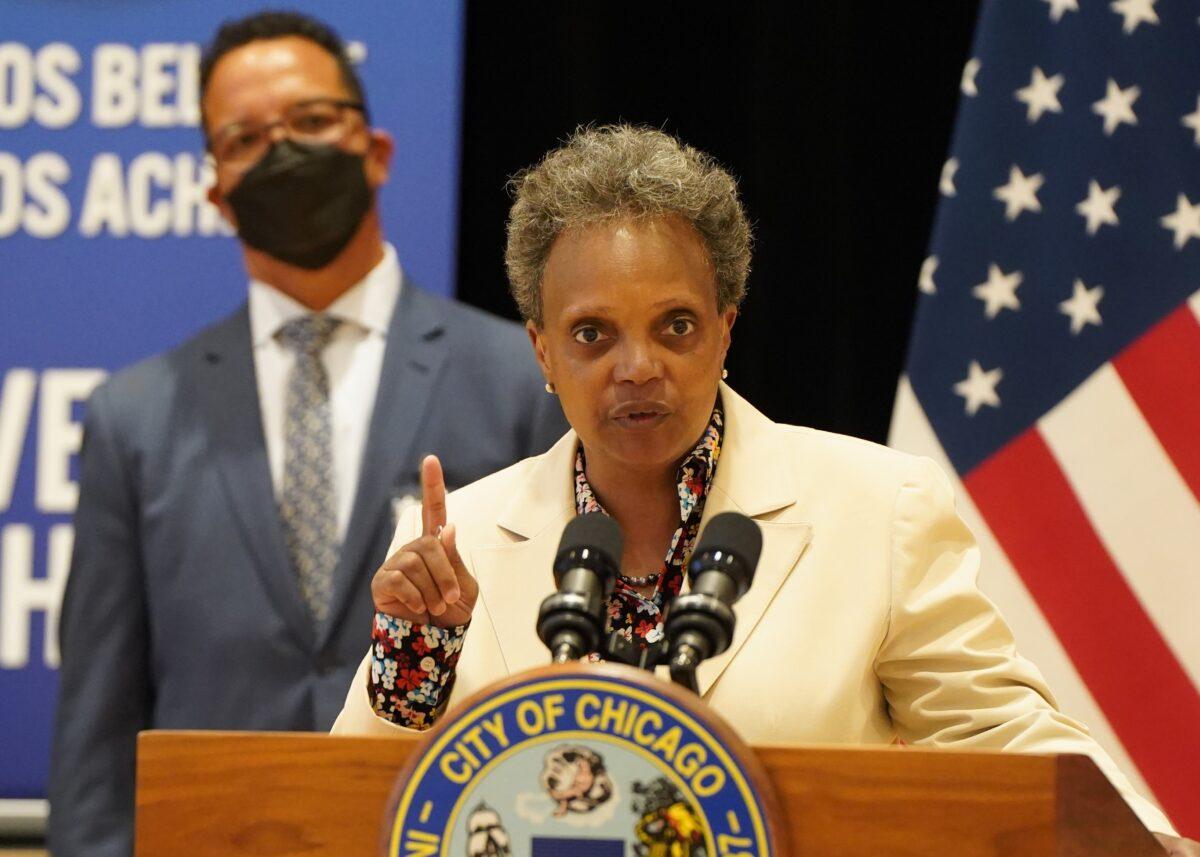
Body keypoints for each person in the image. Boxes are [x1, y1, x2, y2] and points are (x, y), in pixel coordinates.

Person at [332, 124, 1197, 852]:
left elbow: (1005, 743)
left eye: (676, 325)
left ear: (725, 330)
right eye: (593, 333)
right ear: (543, 354)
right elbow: (367, 810)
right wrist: (416, 663)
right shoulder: (465, 535)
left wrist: (1148, 845)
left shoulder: (874, 507)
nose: (638, 368)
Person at [48, 11, 565, 856]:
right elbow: (97, 729)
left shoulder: (520, 379)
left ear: (377, 149)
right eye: (247, 136)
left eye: (313, 121)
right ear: (216, 191)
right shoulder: (134, 416)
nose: (285, 149)